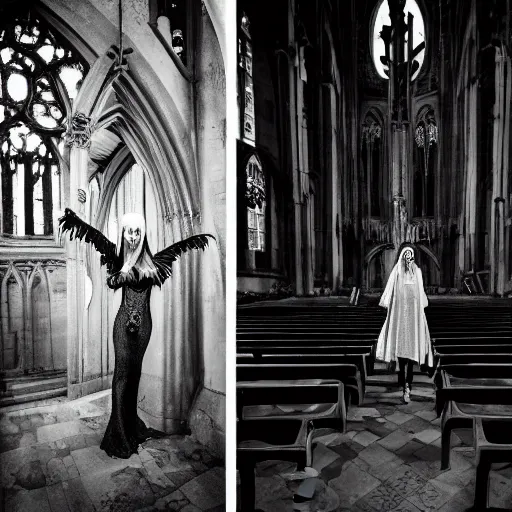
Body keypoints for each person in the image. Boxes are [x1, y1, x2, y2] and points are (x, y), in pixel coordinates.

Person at [59, 208, 215, 458]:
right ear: (122, 233)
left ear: (143, 234)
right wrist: (122, 271)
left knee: (134, 377)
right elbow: (111, 282)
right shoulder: (117, 257)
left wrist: (140, 268)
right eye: (128, 232)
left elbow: (179, 250)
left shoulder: (154, 263)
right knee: (121, 377)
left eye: (137, 232)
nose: (132, 237)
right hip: (123, 325)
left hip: (144, 327)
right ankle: (118, 434)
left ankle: (131, 428)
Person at [376, 244, 433, 403]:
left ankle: (409, 383)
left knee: (411, 354)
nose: (408, 258)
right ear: (402, 257)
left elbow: (420, 296)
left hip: (413, 318)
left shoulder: (418, 273)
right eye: (406, 255)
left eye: (411, 255)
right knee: (402, 354)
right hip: (401, 317)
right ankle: (403, 382)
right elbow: (393, 296)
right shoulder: (397, 273)